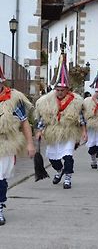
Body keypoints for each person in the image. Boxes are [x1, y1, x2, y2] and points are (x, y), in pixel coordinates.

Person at [35, 49, 87, 189]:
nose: (59, 92)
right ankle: (59, 170)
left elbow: (81, 118)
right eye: (57, 90)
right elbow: (44, 117)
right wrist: (39, 130)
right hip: (53, 132)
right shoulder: (47, 102)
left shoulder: (75, 102)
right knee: (53, 158)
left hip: (69, 131)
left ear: (67, 90)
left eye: (62, 90)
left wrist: (84, 132)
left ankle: (68, 178)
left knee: (68, 156)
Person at [0, 66, 35, 225]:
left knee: (0, 177)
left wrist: (30, 144)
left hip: (6, 143)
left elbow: (24, 123)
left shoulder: (13, 99)